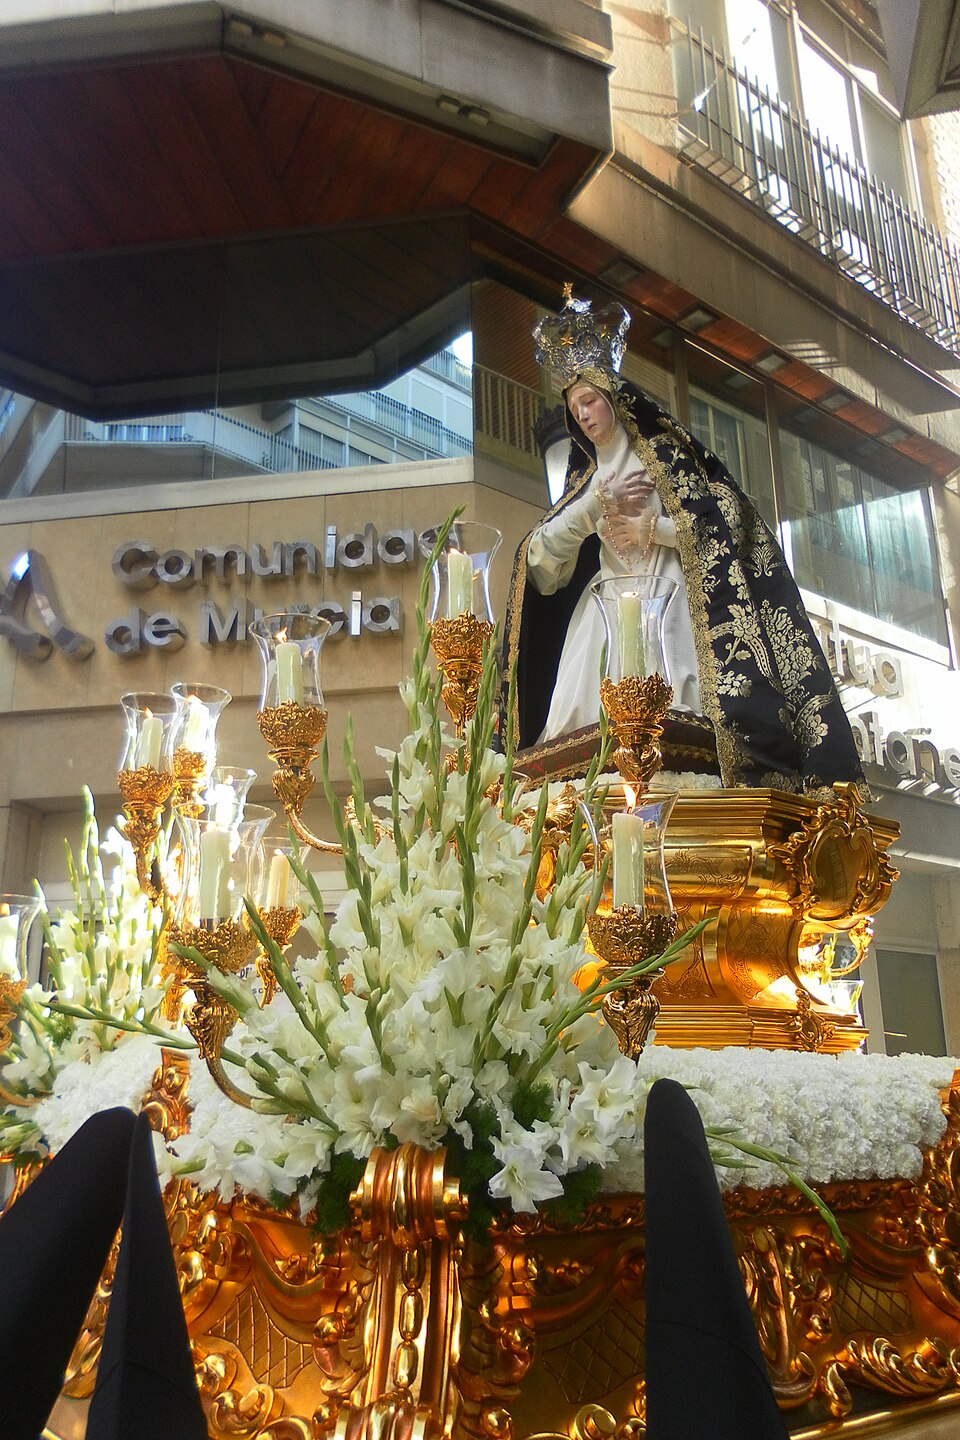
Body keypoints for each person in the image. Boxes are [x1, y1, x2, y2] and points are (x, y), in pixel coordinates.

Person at [503, 288, 865, 796]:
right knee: (583, 739)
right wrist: (591, 512)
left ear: (612, 397)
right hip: (606, 612)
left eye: (590, 401)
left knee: (681, 730)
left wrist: (654, 530)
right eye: (573, 406)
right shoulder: (583, 482)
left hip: (671, 602)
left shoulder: (666, 456)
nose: (582, 414)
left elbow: (726, 528)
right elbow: (539, 566)